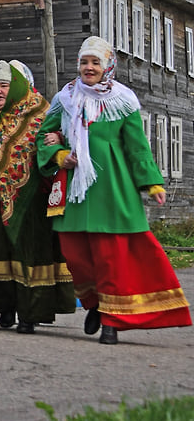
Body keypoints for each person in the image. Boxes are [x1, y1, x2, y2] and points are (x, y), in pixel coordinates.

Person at [37, 36, 191, 344]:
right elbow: (43, 136)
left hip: (113, 186)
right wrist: (59, 156)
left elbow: (137, 147)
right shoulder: (64, 99)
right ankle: (95, 303)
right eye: (84, 62)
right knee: (75, 253)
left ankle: (111, 319)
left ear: (108, 66)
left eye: (95, 62)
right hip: (76, 190)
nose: (89, 68)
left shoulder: (123, 100)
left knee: (111, 256)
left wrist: (152, 182)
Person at [0, 60, 75, 333]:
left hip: (27, 200)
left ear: (19, 86)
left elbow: (66, 138)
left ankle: (29, 313)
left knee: (25, 255)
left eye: (5, 85)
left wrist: (58, 141)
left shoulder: (42, 113)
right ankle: (5, 306)